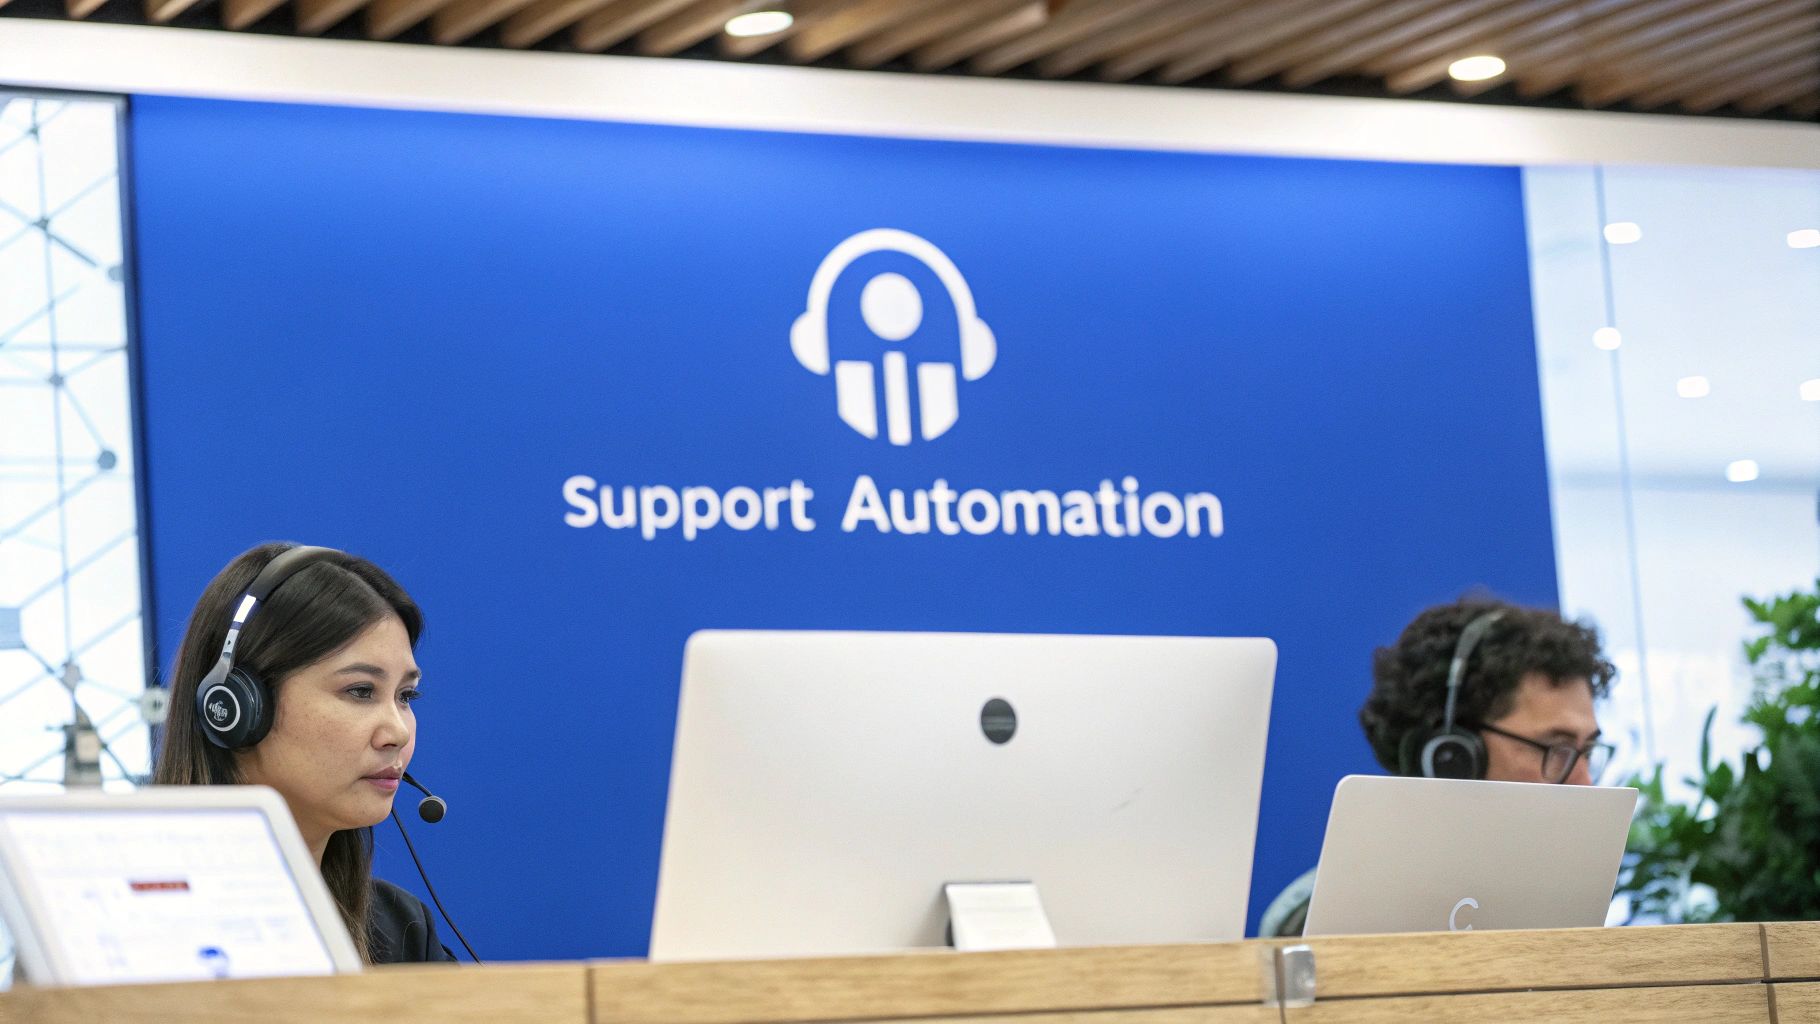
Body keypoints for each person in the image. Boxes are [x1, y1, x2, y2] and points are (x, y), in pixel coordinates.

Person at [155, 542, 457, 963]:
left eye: (406, 696)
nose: (397, 733)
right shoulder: (134, 922)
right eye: (360, 691)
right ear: (235, 707)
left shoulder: (400, 929)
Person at [1259, 597, 1618, 937]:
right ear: (1453, 757)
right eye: (1556, 749)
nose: (1584, 782)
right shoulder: (1315, 921)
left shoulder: (1562, 899)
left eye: (1587, 750)